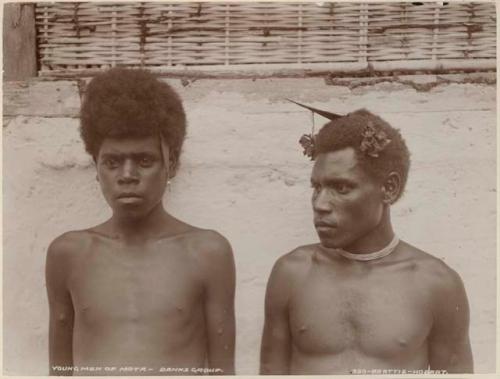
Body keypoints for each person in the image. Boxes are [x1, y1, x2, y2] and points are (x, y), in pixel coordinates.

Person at [45, 68, 236, 376]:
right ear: (96, 167)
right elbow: (59, 370)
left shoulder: (207, 253)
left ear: (171, 164)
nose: (127, 175)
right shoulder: (67, 254)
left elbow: (223, 372)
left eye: (144, 161)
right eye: (112, 162)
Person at [260, 105, 473, 375]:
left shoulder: (437, 285)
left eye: (341, 187)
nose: (320, 204)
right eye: (316, 187)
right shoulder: (291, 274)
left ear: (389, 188)